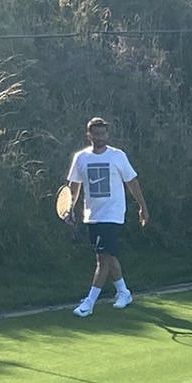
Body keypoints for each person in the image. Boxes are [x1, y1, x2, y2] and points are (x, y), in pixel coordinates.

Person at [65, 116, 148, 316]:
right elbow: (74, 186)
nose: (100, 137)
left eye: (103, 133)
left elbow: (132, 182)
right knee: (107, 257)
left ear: (107, 135)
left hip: (113, 214)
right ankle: (123, 292)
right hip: (92, 215)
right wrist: (70, 207)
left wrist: (142, 207)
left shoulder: (118, 156)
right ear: (89, 135)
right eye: (96, 133)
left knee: (102, 258)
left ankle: (89, 303)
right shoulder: (81, 158)